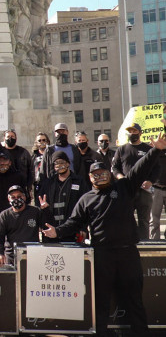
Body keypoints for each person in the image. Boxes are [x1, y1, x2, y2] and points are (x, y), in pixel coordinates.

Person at [42, 134, 166, 335]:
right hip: (102, 256)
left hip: (128, 255)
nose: (99, 176)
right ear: (89, 178)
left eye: (102, 173)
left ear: (109, 173)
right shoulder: (86, 199)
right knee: (101, 303)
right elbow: (74, 223)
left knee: (134, 301)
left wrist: (156, 150)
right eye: (95, 175)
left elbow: (140, 168)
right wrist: (57, 231)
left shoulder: (124, 187)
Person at [112, 123, 154, 241]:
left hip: (144, 191)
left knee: (144, 221)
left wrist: (150, 181)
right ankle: (127, 242)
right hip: (127, 191)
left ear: (140, 133)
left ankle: (144, 243)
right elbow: (114, 168)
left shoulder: (148, 149)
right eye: (130, 131)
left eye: (134, 131)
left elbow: (157, 168)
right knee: (125, 218)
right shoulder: (121, 149)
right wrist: (121, 178)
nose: (132, 134)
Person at [37, 151, 89, 243]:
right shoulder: (48, 183)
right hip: (51, 230)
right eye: (56, 163)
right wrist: (43, 209)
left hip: (72, 231)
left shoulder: (79, 181)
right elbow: (40, 205)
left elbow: (86, 206)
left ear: (68, 163)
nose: (59, 165)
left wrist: (84, 228)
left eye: (62, 162)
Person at [0, 185, 42, 266]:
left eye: (19, 196)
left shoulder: (35, 211)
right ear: (9, 199)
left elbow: (47, 228)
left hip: (32, 254)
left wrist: (46, 210)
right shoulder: (4, 215)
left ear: (24, 197)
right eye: (13, 197)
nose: (16, 199)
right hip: (12, 256)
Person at [2, 129, 33, 196]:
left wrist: (29, 186)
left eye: (12, 136)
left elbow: (31, 170)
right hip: (4, 188)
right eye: (8, 136)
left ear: (16, 138)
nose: (10, 138)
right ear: (4, 138)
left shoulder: (23, 152)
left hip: (22, 187)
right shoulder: (1, 153)